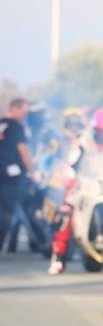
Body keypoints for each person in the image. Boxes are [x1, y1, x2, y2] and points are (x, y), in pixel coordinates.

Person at [47, 108, 103, 275]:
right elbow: (70, 165)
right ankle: (58, 255)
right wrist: (71, 180)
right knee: (66, 213)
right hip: (87, 183)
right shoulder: (82, 143)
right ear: (95, 130)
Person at [0, 99, 37, 251]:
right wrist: (32, 173)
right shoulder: (17, 127)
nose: (25, 115)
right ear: (15, 108)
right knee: (6, 213)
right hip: (11, 178)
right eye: (24, 112)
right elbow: (23, 150)